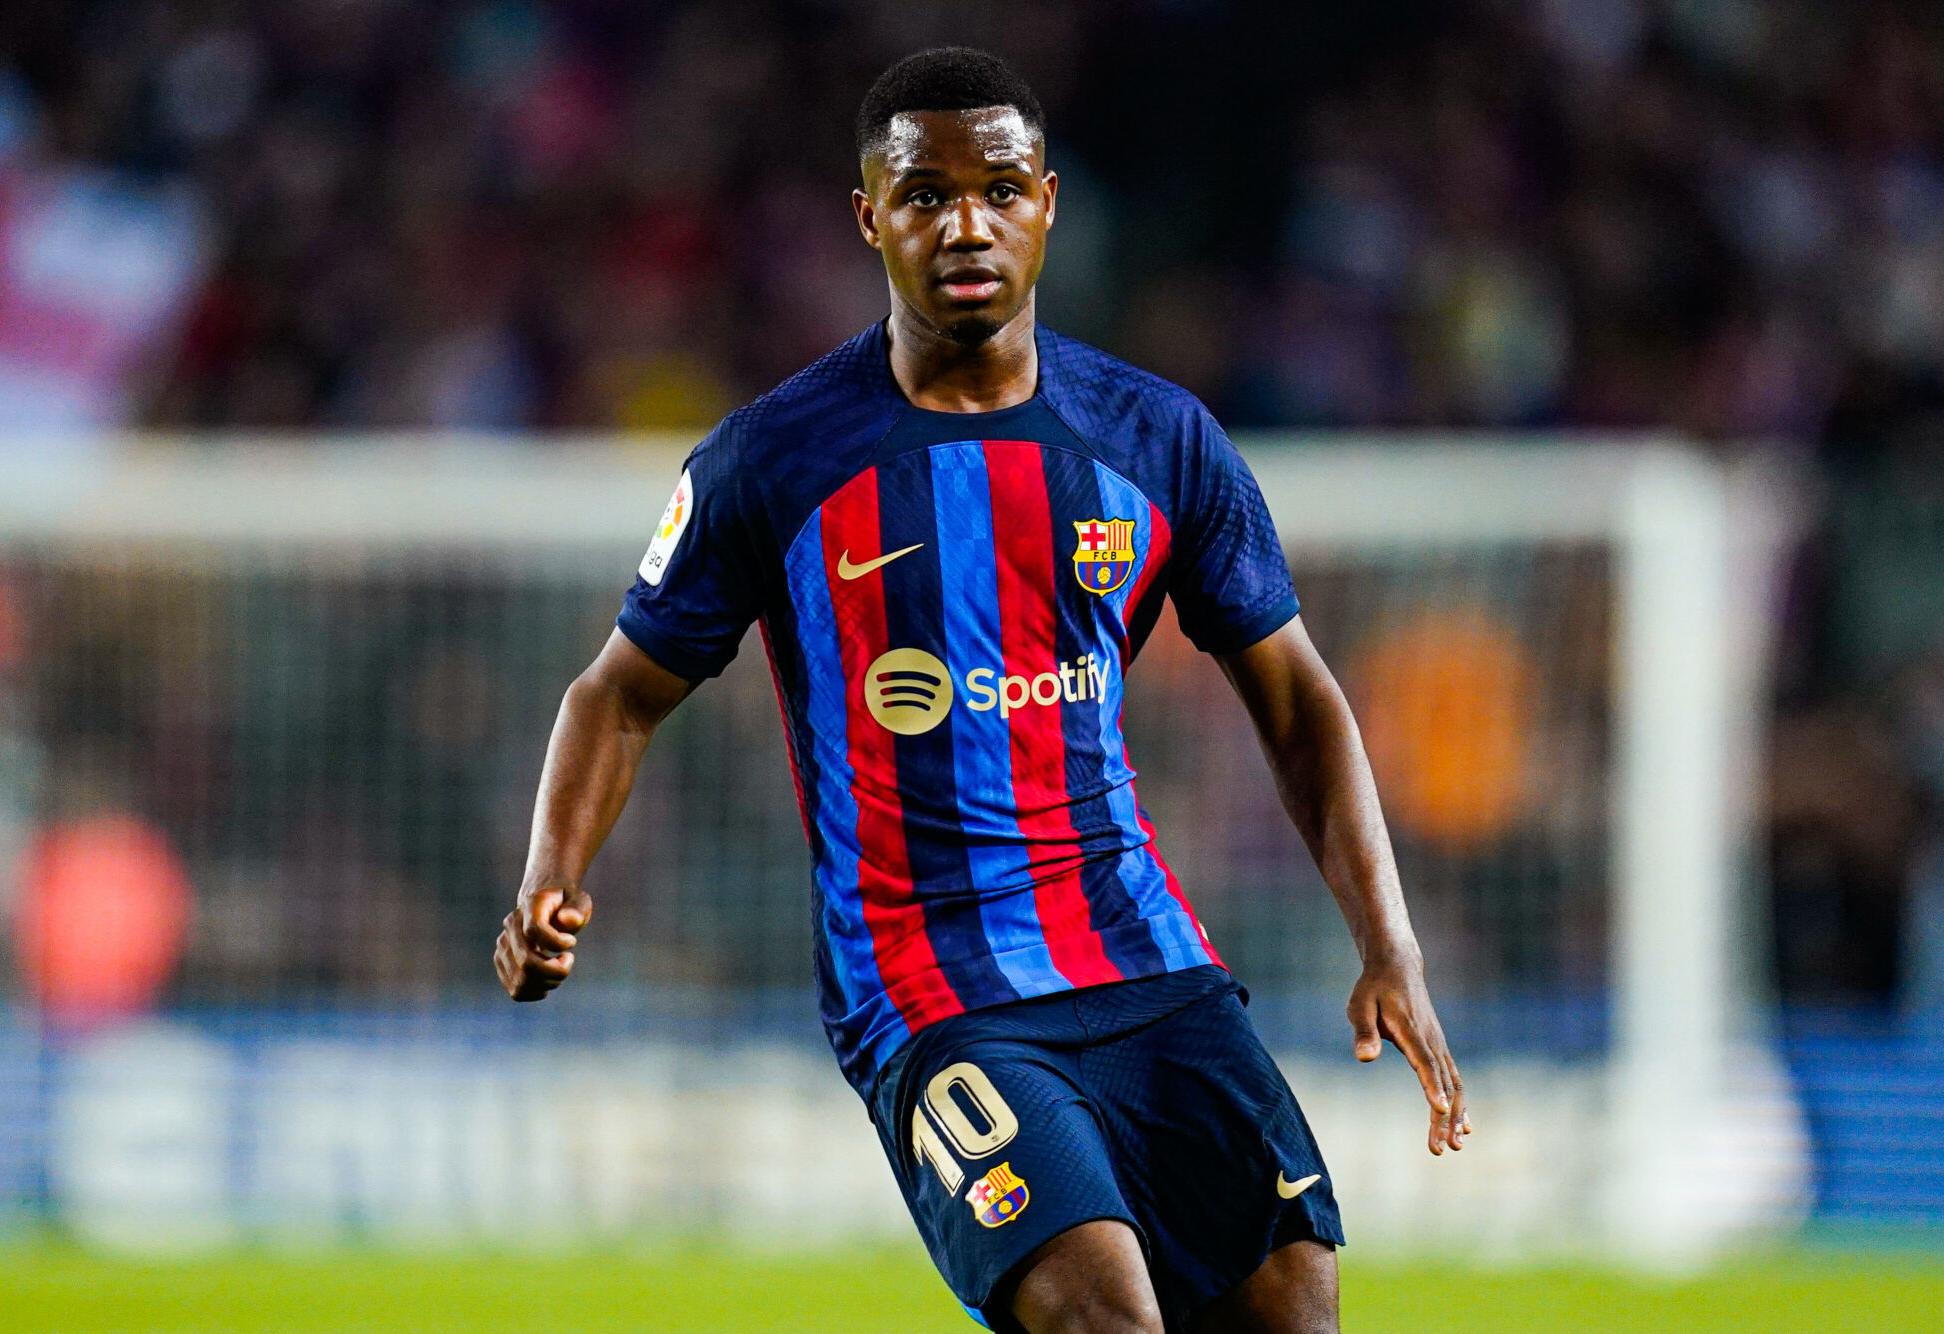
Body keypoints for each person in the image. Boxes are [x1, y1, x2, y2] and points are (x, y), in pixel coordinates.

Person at [494, 46, 1469, 1334]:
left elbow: (1298, 703)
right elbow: (616, 695)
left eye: (1000, 190)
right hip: (930, 988)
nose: (966, 225)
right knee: (1103, 1319)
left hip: (1144, 956)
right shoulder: (773, 459)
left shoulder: (1157, 437)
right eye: (925, 195)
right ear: (870, 218)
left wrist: (1388, 942)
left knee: (1295, 1311)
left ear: (1047, 205)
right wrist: (548, 877)